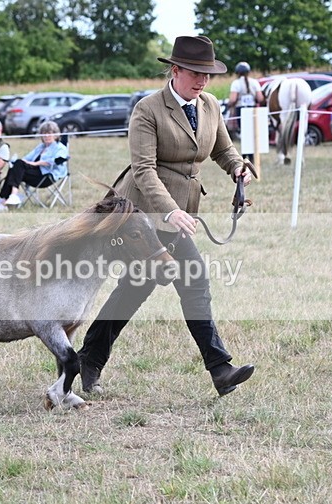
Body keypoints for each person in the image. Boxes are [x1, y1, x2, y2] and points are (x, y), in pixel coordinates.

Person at [78, 35, 255, 397]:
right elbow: (143, 171)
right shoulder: (148, 109)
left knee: (135, 288)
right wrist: (170, 211)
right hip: (141, 216)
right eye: (195, 73)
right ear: (175, 70)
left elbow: (223, 148)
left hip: (179, 215)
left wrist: (238, 167)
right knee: (193, 279)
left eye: (208, 74)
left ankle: (88, 360)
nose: (203, 81)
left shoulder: (209, 105)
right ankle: (220, 369)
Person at [0, 120, 68, 212]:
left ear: (55, 135)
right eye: (44, 133)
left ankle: (5, 201)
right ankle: (11, 197)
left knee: (17, 168)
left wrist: (35, 163)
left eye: (49, 133)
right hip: (33, 173)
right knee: (15, 166)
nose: (46, 136)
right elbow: (26, 158)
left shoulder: (60, 147)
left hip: (46, 176)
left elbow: (56, 161)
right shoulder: (41, 147)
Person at [227, 61, 264, 163]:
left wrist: (229, 104)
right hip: (252, 110)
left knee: (244, 133)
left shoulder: (236, 83)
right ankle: (251, 156)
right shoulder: (255, 82)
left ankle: (245, 155)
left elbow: (233, 99)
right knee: (252, 133)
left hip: (241, 110)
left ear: (238, 72)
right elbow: (260, 98)